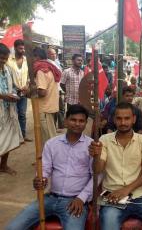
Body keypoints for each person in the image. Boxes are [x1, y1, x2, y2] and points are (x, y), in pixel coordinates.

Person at [6, 105, 94, 229]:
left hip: (75, 202)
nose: (77, 124)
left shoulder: (91, 146)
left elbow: (97, 175)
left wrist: (82, 198)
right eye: (73, 120)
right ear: (66, 121)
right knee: (13, 227)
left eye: (81, 121)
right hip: (50, 198)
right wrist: (41, 179)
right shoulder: (52, 144)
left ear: (85, 123)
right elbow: (45, 169)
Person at [89, 102, 142, 230]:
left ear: (134, 119)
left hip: (137, 196)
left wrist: (126, 190)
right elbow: (97, 169)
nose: (123, 122)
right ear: (114, 120)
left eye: (127, 118)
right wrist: (96, 156)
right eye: (119, 118)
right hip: (111, 197)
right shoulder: (104, 140)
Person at [0, 43, 23, 175]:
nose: (3, 61)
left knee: (8, 138)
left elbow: (12, 86)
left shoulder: (7, 70)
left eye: (5, 58)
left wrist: (14, 94)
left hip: (9, 110)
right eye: (1, 58)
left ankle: (3, 165)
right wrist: (3, 96)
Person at [33, 47, 61, 147]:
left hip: (44, 108)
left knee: (47, 138)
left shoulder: (41, 70)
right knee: (49, 136)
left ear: (36, 57)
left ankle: (48, 160)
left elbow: (42, 92)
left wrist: (29, 91)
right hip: (50, 106)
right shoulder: (49, 67)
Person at [6, 39, 31, 141]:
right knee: (12, 114)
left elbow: (29, 76)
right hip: (12, 91)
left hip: (23, 92)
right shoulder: (8, 60)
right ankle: (14, 137)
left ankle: (23, 136)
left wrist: (27, 85)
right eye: (21, 48)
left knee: (22, 114)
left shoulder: (26, 61)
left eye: (24, 48)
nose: (23, 50)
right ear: (15, 48)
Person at [47, 47, 65, 132]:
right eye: (52, 54)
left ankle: (61, 125)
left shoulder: (56, 62)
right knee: (54, 109)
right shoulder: (48, 63)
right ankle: (53, 127)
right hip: (53, 89)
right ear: (48, 55)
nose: (54, 55)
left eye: (55, 54)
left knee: (61, 108)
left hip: (59, 88)